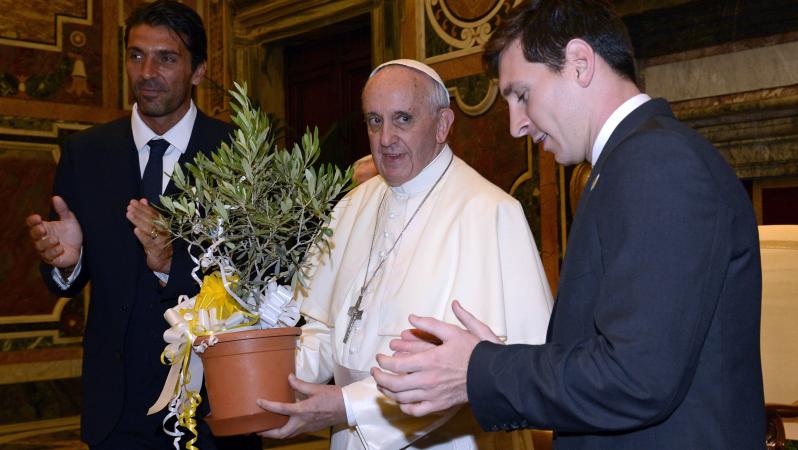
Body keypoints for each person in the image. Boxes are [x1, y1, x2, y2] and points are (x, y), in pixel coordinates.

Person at [372, 1, 765, 449]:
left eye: (521, 95)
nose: (517, 125)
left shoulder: (657, 163)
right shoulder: (627, 163)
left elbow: (637, 377)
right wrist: (493, 362)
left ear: (579, 63)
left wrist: (479, 371)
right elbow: (609, 354)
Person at [255, 59, 553, 449]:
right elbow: (326, 329)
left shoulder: (490, 212)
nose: (385, 138)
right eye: (374, 121)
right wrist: (273, 379)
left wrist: (346, 405)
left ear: (443, 124)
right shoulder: (351, 206)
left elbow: (477, 372)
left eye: (403, 119)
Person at [24, 1, 260, 449]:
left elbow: (260, 282)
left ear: (198, 70)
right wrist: (68, 263)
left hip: (215, 406)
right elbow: (67, 282)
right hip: (116, 410)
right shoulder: (85, 153)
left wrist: (173, 263)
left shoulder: (240, 154)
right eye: (136, 55)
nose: (147, 71)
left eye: (166, 58)